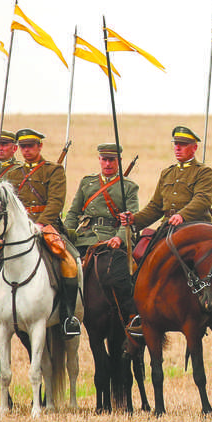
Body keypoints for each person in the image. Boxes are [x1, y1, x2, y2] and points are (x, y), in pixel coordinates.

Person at [64, 143, 141, 335]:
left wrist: (120, 238)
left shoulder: (129, 187)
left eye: (111, 160)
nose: (107, 163)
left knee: (123, 276)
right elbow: (73, 213)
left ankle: (131, 315)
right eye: (104, 159)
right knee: (64, 271)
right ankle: (67, 316)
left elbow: (131, 218)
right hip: (85, 239)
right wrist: (64, 235)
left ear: (119, 162)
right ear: (99, 160)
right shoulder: (87, 182)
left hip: (112, 239)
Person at [9, 128, 79, 336]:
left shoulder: (54, 170)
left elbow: (56, 202)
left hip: (46, 227)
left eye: (30, 146)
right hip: (18, 230)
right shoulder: (13, 174)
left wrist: (39, 224)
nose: (26, 150)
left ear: (40, 146)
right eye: (23, 146)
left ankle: (67, 316)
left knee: (70, 263)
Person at [127, 126, 212, 232]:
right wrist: (135, 219)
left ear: (194, 148)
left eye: (183, 144)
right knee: (143, 245)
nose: (178, 148)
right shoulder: (167, 173)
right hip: (168, 226)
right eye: (176, 144)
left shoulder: (204, 172)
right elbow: (155, 206)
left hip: (195, 226)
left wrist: (181, 215)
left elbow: (202, 200)